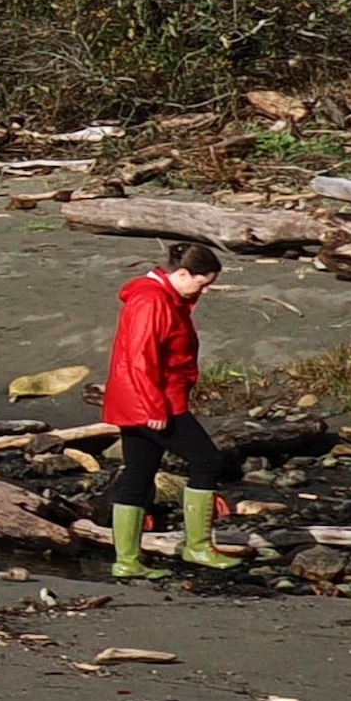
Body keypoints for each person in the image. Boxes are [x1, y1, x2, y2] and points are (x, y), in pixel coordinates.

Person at [102, 236, 231, 578]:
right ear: (185, 274)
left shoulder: (161, 298)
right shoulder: (151, 300)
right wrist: (154, 407)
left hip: (140, 400)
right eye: (203, 284)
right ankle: (197, 546)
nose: (204, 292)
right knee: (207, 460)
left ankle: (127, 562)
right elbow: (139, 358)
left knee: (139, 475)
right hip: (153, 401)